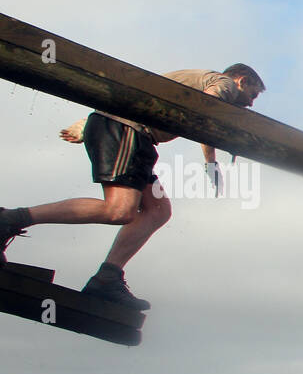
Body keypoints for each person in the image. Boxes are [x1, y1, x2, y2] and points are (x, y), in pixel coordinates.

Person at [1, 65, 266, 308]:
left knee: (158, 210)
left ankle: (107, 278)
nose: (251, 104)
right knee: (120, 211)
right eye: (253, 95)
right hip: (127, 130)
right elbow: (206, 104)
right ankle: (10, 219)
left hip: (128, 131)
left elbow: (171, 101)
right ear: (242, 81)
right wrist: (226, 136)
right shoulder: (225, 84)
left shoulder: (199, 78)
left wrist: (211, 161)